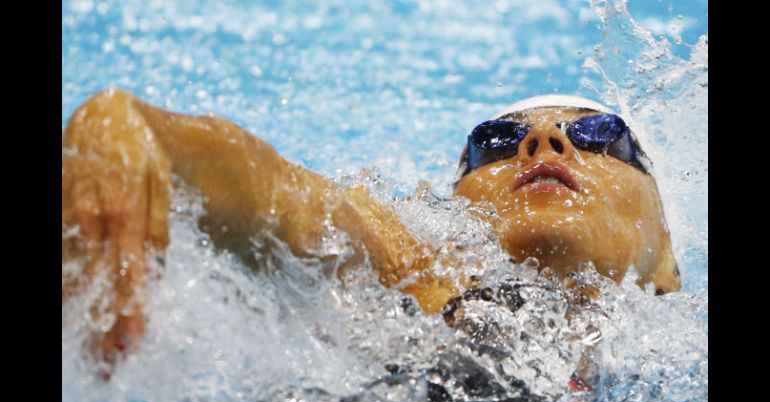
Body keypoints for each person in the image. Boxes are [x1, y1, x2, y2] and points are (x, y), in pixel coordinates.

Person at [62, 89, 680, 361]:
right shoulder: (418, 270)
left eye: (601, 136)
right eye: (495, 144)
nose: (544, 141)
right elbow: (292, 202)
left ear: (668, 259)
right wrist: (130, 128)